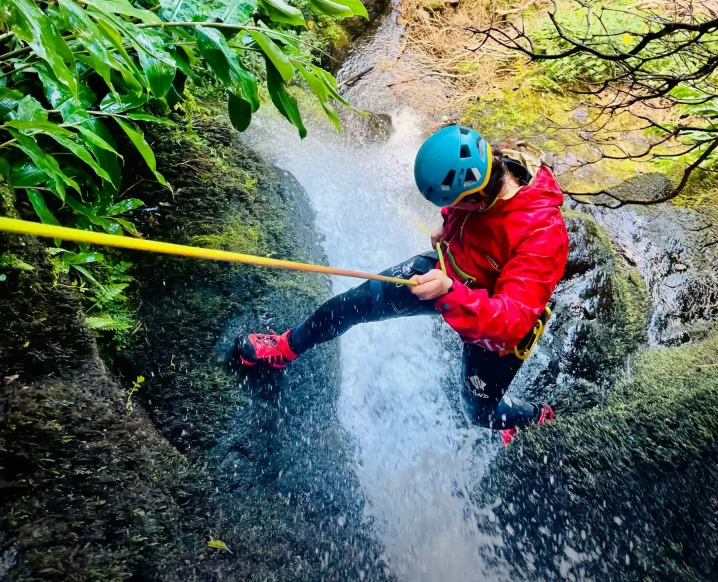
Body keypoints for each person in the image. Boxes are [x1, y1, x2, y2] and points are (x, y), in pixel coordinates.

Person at [236, 124, 569, 444]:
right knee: (353, 304)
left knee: (480, 414)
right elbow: (457, 202)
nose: (443, 208)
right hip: (448, 270)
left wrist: (450, 292)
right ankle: (284, 348)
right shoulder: (488, 165)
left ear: (477, 198)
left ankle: (533, 415)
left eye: (451, 203)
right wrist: (449, 227)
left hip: (496, 323)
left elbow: (511, 322)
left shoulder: (542, 234)